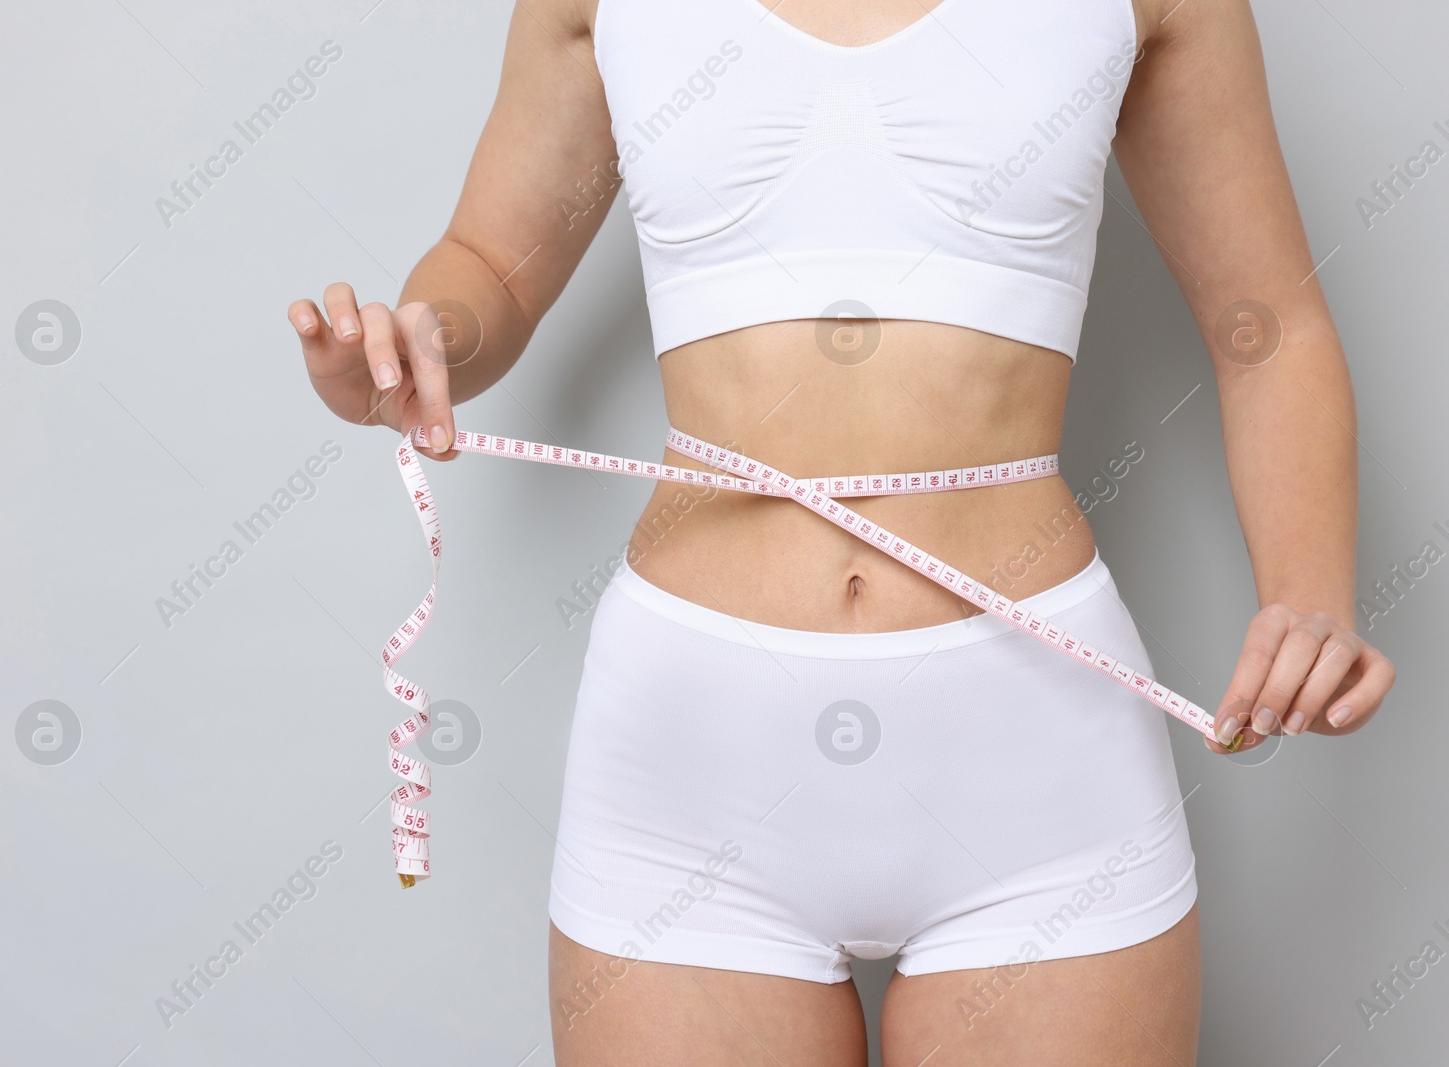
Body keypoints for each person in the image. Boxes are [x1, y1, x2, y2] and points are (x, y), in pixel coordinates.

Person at [288, 0, 1395, 1062]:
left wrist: (1310, 593)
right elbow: (488, 262)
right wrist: (418, 341)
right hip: (691, 761)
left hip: (1034, 758)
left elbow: (1266, 324)